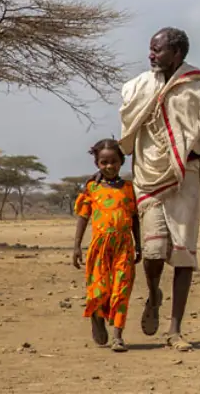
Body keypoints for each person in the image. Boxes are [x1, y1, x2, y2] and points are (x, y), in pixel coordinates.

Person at [118, 27, 200, 351]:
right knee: (153, 253)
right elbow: (129, 128)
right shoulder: (139, 86)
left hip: (187, 177)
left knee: (183, 255)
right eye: (151, 48)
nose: (151, 55)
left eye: (158, 50)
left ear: (177, 53)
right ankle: (154, 293)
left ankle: (175, 330)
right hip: (149, 176)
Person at [72, 138, 141, 352]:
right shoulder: (92, 188)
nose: (109, 166)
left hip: (124, 247)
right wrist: (76, 246)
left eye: (113, 161)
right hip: (100, 247)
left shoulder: (129, 188)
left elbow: (135, 219)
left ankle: (118, 336)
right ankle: (97, 316)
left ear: (121, 162)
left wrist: (139, 245)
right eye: (104, 162)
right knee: (99, 290)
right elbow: (83, 217)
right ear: (97, 164)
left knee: (121, 290)